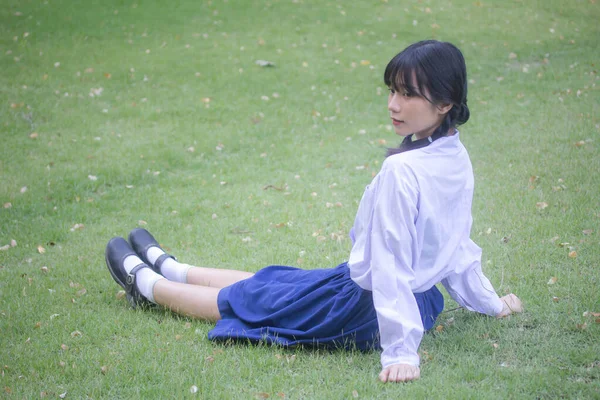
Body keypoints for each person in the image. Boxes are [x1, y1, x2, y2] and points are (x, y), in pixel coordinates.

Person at [104, 40, 523, 383]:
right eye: (392, 91)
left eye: (408, 93)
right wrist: (490, 303)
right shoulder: (454, 154)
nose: (394, 104)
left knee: (252, 301)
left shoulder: (404, 170)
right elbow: (455, 245)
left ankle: (147, 287)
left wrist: (401, 353)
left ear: (446, 102)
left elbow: (402, 259)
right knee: (277, 281)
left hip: (366, 310)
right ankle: (172, 267)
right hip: (416, 300)